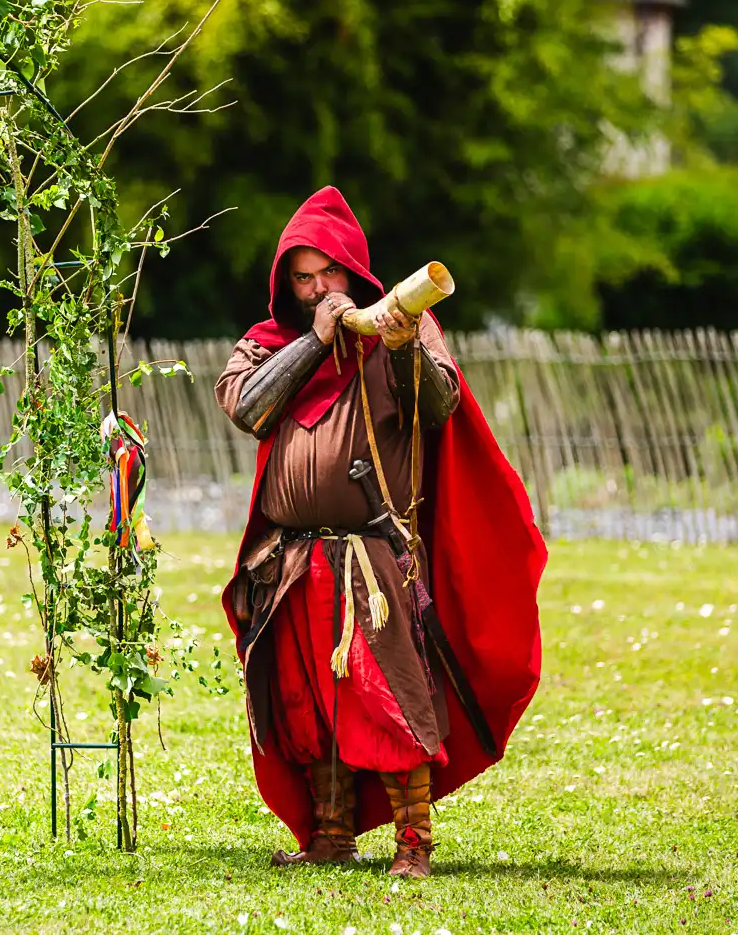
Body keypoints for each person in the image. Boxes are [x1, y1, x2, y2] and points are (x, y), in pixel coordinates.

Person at [216, 186, 547, 878]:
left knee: (388, 698)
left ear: (353, 271)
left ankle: (413, 844)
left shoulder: (407, 329)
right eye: (302, 278)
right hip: (292, 560)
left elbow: (439, 404)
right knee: (309, 703)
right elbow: (248, 407)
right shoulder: (270, 342)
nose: (316, 289)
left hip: (370, 556)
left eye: (327, 275)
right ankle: (330, 836)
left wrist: (397, 346)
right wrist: (317, 337)